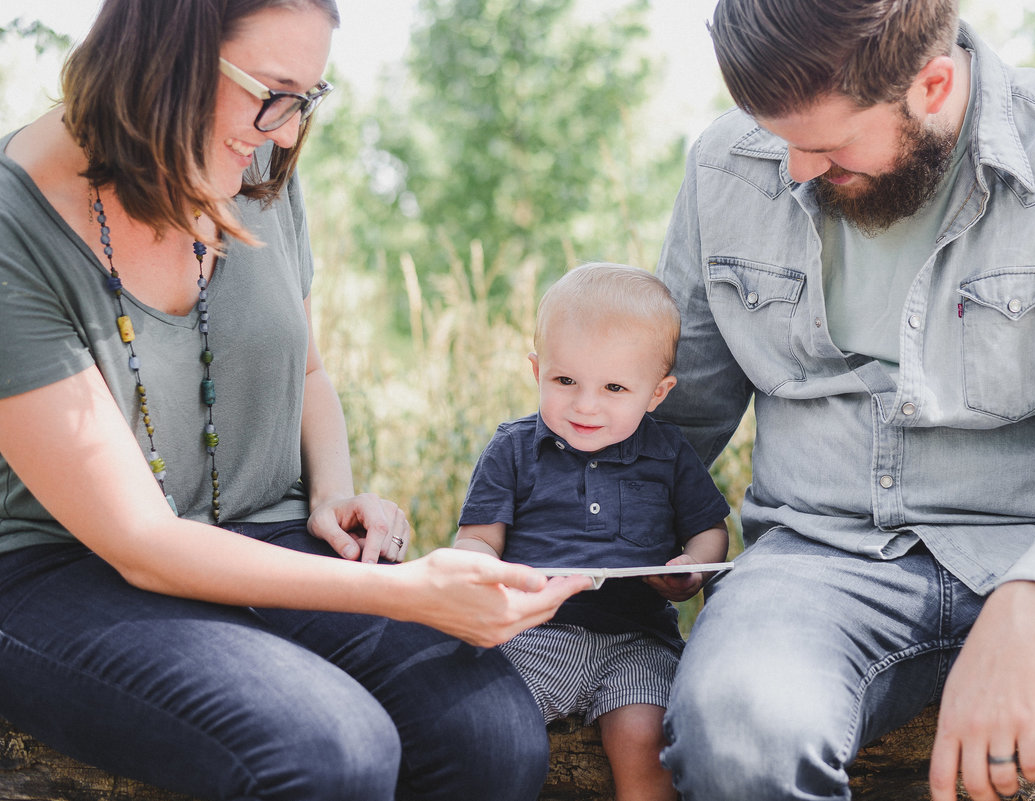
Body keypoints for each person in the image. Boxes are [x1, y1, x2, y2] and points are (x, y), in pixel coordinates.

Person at [0, 2, 591, 800]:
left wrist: (334, 490)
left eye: (306, 100)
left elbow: (307, 373)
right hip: (67, 569)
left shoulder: (254, 161)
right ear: (164, 53)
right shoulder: (13, 227)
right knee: (329, 749)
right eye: (273, 92)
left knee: (488, 734)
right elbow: (140, 540)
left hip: (264, 531)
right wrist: (408, 591)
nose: (283, 133)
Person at [652, 1, 1035, 800]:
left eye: (827, 144)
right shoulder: (722, 167)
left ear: (933, 82)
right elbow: (675, 421)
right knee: (737, 731)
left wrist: (1034, 598)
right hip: (813, 563)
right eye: (781, 139)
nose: (796, 171)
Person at [454, 263, 730, 801]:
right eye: (564, 381)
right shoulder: (513, 449)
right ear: (536, 370)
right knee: (486, 728)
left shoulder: (669, 453)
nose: (585, 405)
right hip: (533, 634)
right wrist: (483, 568)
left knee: (645, 742)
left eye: (614, 387)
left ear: (656, 392)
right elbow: (477, 537)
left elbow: (709, 530)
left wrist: (692, 568)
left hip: (636, 639)